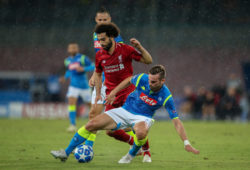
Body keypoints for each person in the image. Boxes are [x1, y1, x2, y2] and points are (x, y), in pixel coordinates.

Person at [51, 65, 200, 163]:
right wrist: (114, 92)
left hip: (143, 117)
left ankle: (131, 154)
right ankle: (66, 152)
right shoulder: (143, 78)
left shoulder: (166, 96)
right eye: (149, 80)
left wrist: (186, 143)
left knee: (141, 133)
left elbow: (176, 121)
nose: (150, 83)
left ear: (162, 81)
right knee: (92, 124)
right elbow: (129, 80)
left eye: (154, 82)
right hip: (124, 111)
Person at [59, 43, 95, 132]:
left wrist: (84, 69)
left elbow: (94, 66)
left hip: (84, 86)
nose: (72, 49)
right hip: (73, 86)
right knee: (71, 103)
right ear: (68, 50)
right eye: (71, 48)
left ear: (77, 49)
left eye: (74, 48)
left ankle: (95, 124)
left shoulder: (82, 58)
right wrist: (65, 77)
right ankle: (72, 125)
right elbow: (69, 71)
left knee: (90, 105)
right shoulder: (67, 61)